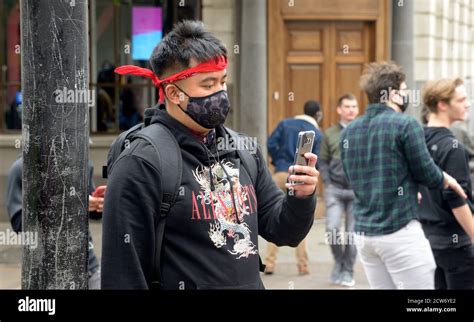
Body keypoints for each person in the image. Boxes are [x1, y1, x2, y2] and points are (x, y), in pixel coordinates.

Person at [100, 20, 319, 290]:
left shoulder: (243, 149)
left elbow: (284, 230)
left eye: (223, 82)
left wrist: (300, 197)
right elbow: (124, 273)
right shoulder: (142, 160)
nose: (220, 94)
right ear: (173, 92)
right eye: (207, 85)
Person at [340, 61, 467, 289]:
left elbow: (355, 179)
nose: (408, 94)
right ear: (394, 94)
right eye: (405, 89)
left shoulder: (349, 131)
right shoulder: (405, 124)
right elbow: (427, 173)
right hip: (399, 233)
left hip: (365, 236)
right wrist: (448, 180)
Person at [6, 155, 104, 289]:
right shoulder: (21, 169)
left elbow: (90, 209)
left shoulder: (82, 161)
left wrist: (98, 204)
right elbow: (20, 224)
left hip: (87, 264)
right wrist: (70, 205)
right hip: (44, 268)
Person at [419, 78, 474, 289]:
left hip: (426, 240)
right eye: (461, 100)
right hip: (455, 243)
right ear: (442, 104)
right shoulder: (453, 147)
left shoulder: (416, 140)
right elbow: (456, 199)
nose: (467, 104)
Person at [264, 100, 323, 275]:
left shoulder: (285, 123)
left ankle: (269, 263)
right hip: (300, 179)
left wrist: (278, 160)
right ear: (317, 114)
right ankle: (302, 265)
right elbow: (316, 160)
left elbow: (270, 143)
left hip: (281, 173)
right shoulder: (317, 134)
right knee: (298, 217)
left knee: (274, 216)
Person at [320, 93, 359, 286]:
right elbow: (323, 161)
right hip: (334, 189)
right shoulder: (329, 133)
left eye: (354, 106)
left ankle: (348, 270)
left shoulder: (363, 131)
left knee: (353, 235)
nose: (351, 109)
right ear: (339, 109)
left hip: (357, 192)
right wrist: (327, 182)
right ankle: (339, 262)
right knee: (332, 229)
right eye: (347, 106)